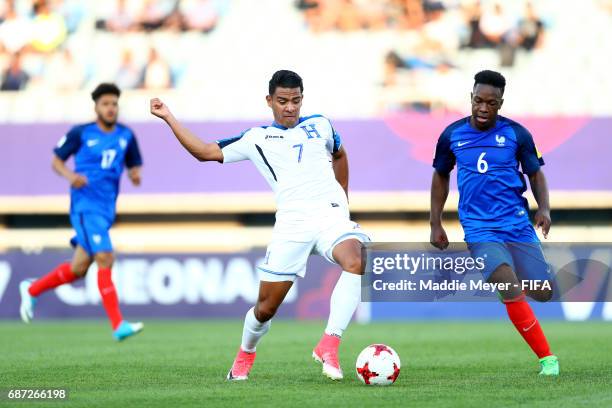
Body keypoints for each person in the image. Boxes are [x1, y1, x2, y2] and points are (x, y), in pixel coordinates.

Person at [150, 70, 369, 381]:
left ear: (302, 100)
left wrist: (343, 201)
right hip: (292, 225)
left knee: (359, 260)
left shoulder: (321, 124)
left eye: (295, 100)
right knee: (265, 309)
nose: (290, 107)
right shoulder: (256, 138)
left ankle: (329, 343)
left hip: (331, 218)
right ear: (270, 101)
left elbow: (340, 154)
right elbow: (203, 152)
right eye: (282, 101)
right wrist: (169, 117)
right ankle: (246, 353)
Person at [430, 70, 559, 376]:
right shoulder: (452, 135)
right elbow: (440, 176)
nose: (483, 108)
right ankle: (547, 359)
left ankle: (509, 289)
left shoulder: (518, 134)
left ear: (501, 102)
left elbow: (535, 174)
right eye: (478, 101)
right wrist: (435, 223)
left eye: (491, 102)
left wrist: (544, 209)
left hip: (516, 224)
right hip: (478, 227)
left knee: (543, 291)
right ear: (470, 98)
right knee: (510, 287)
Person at [19, 83, 144, 341]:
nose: (110, 108)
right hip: (86, 207)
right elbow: (56, 160)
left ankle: (32, 289)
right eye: (105, 104)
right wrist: (71, 175)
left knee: (78, 269)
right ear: (96, 107)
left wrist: (134, 175)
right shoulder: (81, 133)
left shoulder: (126, 135)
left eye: (114, 104)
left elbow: (134, 166)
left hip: (107, 207)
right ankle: (118, 325)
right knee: (106, 258)